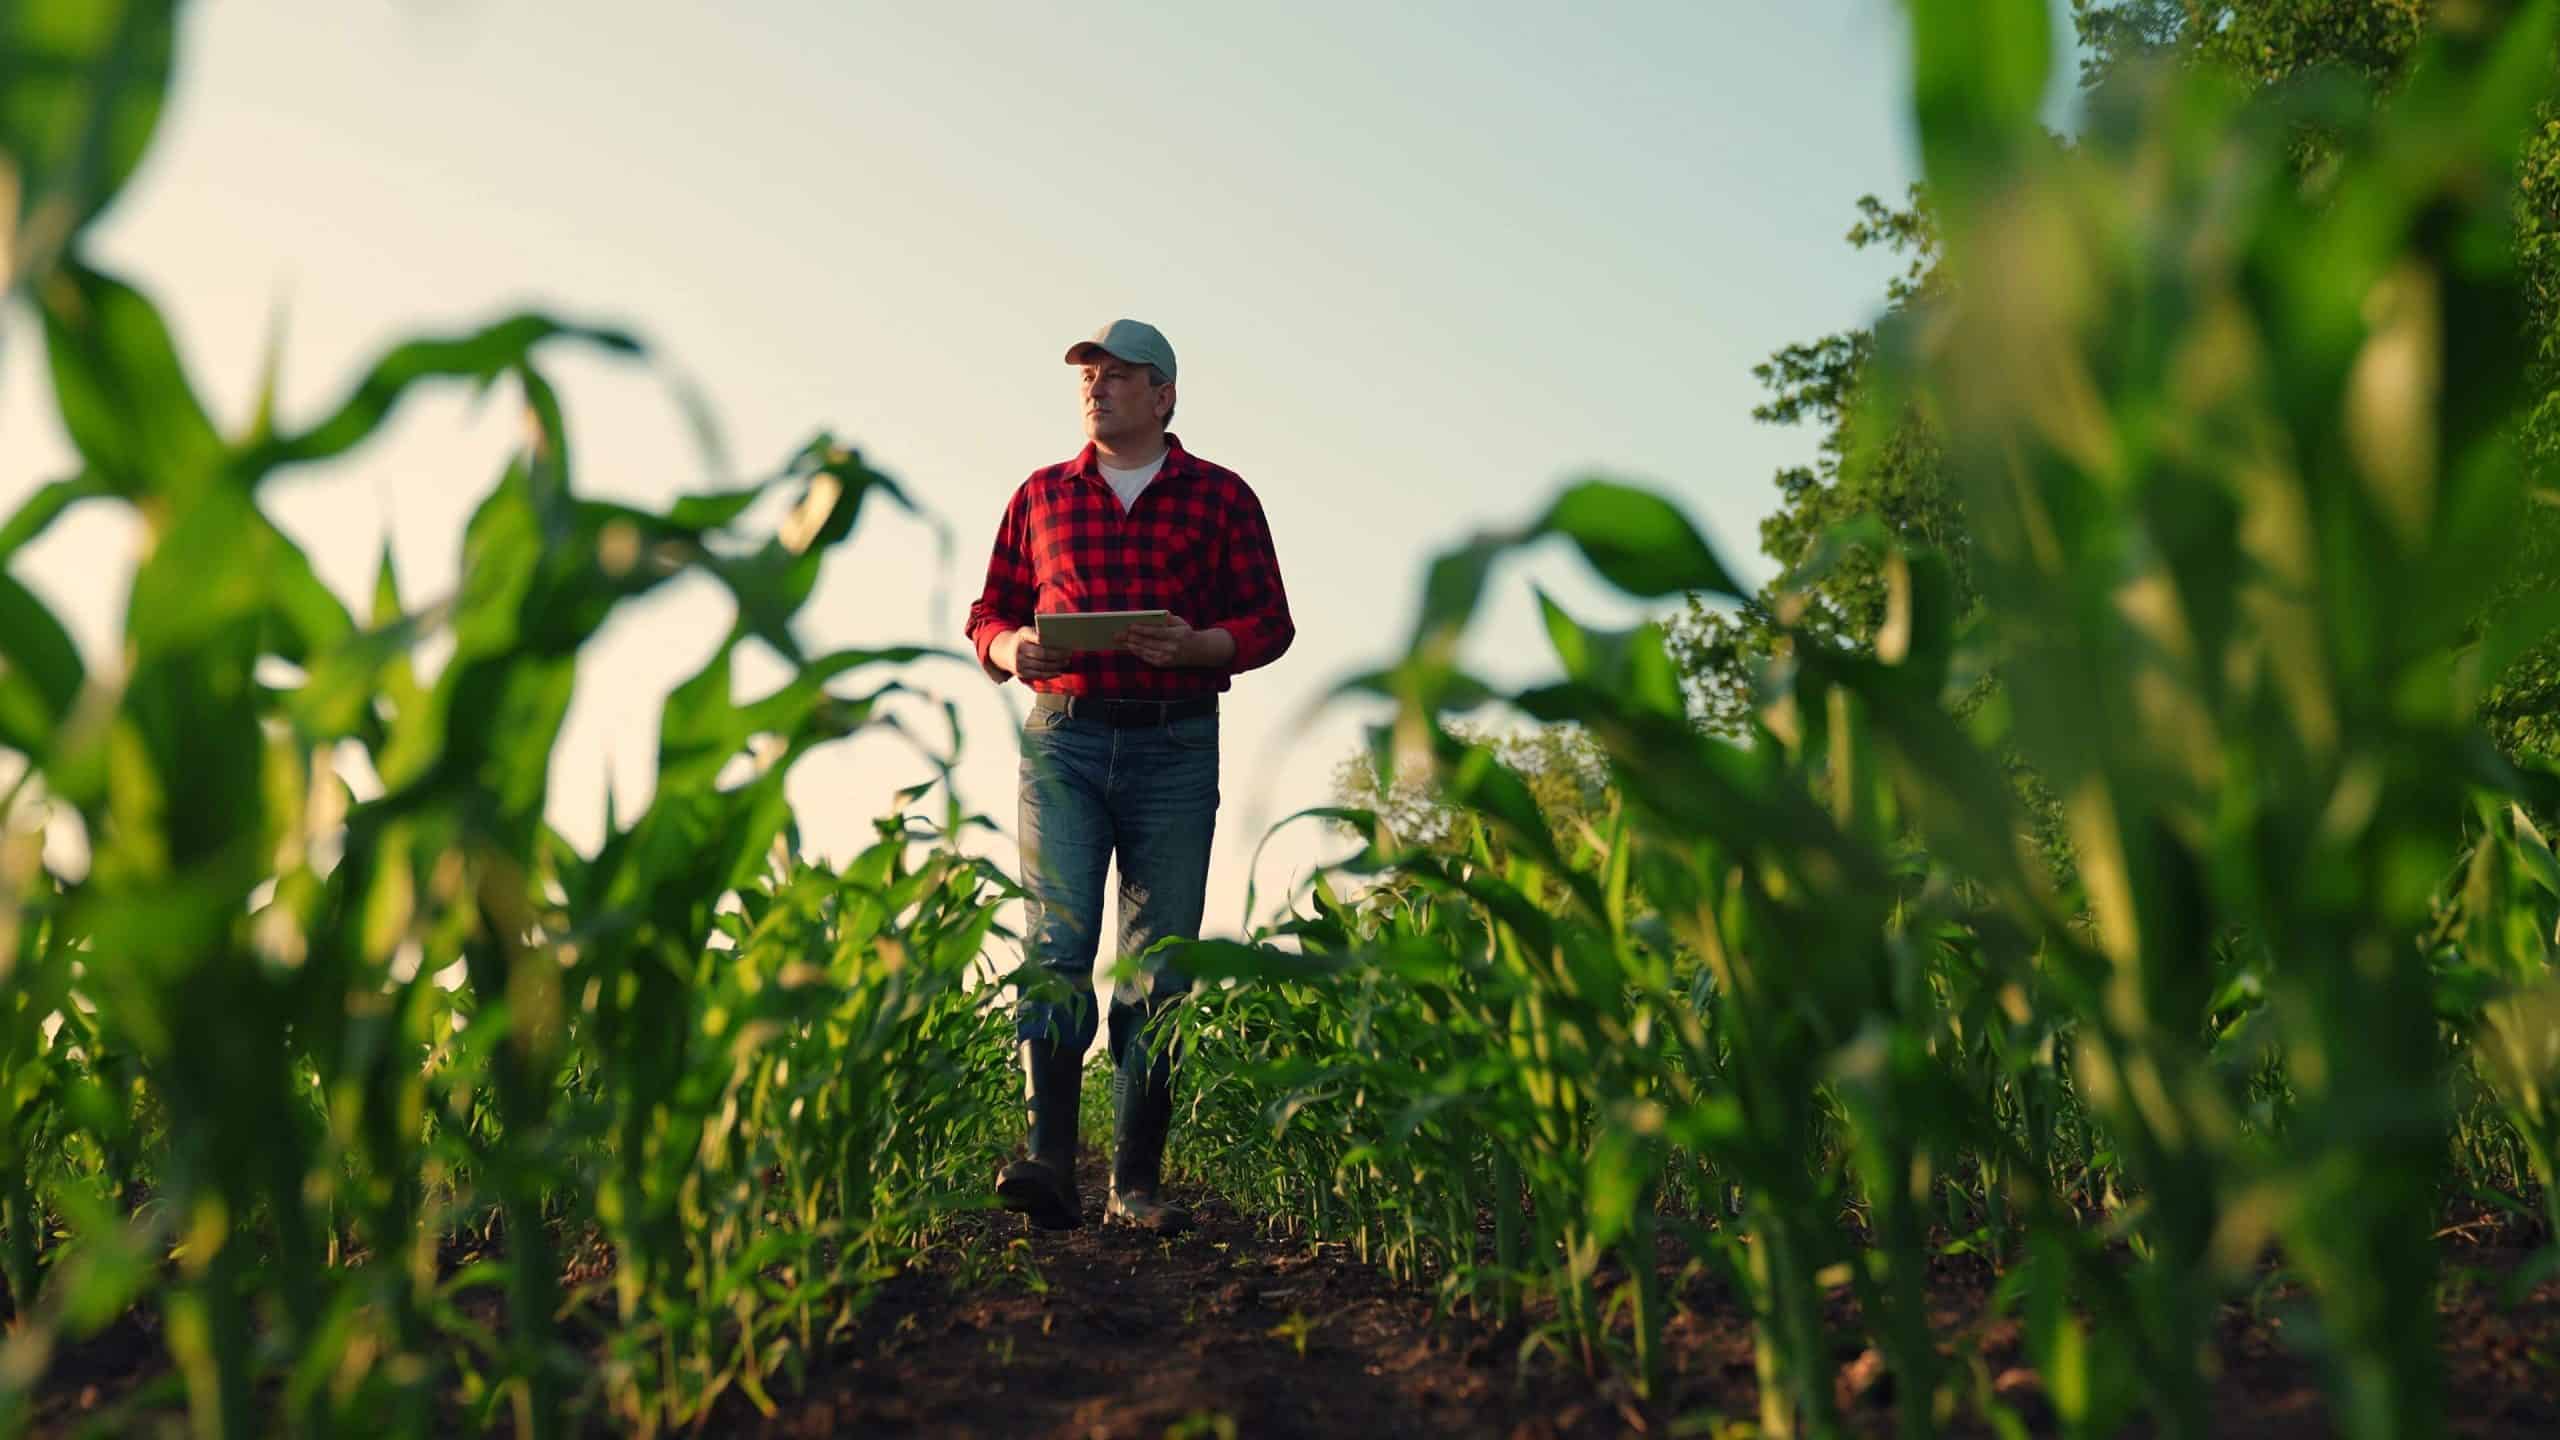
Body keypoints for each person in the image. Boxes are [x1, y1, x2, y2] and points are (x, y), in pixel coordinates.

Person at [964, 319, 1294, 1234]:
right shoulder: (1040, 496)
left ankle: (1135, 1187)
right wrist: (1011, 646)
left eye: (1119, 375)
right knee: (1058, 948)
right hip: (1063, 739)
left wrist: (1198, 647)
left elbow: (1270, 622)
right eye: (1089, 375)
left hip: (1175, 745)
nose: (1097, 387)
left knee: (1157, 969)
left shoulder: (1222, 497)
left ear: (1165, 395)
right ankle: (1048, 1166)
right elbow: (987, 610)